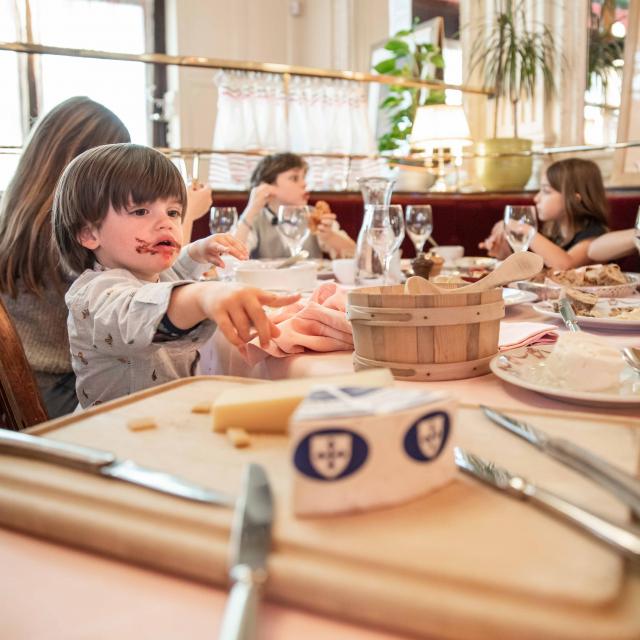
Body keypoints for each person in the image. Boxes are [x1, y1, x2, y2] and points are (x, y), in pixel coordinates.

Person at [52, 143, 299, 409]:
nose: (166, 223)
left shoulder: (148, 272)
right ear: (89, 234)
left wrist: (196, 251)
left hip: (163, 418)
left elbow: (175, 274)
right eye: (140, 211)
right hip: (115, 434)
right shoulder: (94, 294)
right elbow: (142, 309)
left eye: (173, 212)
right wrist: (205, 295)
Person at [0, 97, 131, 419]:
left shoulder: (12, 216)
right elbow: (135, 297)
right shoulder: (72, 230)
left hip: (14, 389)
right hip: (61, 393)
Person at [480, 158, 609, 269]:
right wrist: (505, 254)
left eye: (546, 191)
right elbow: (538, 272)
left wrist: (524, 229)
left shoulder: (595, 235)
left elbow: (565, 266)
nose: (536, 198)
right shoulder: (553, 231)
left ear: (574, 199)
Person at [234, 152, 355, 259]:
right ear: (266, 186)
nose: (304, 184)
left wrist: (330, 236)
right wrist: (251, 210)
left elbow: (355, 254)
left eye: (304, 177)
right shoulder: (255, 219)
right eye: (294, 178)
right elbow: (231, 256)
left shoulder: (314, 217)